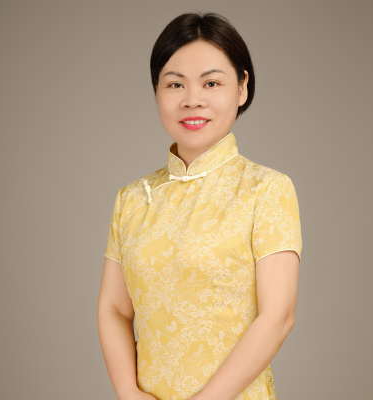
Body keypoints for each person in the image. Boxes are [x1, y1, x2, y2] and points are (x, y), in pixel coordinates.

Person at [97, 11, 302, 400]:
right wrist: (127, 392)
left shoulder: (267, 190)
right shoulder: (133, 198)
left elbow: (278, 316)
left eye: (211, 83)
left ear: (241, 88)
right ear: (157, 90)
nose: (192, 100)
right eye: (175, 84)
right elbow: (114, 309)